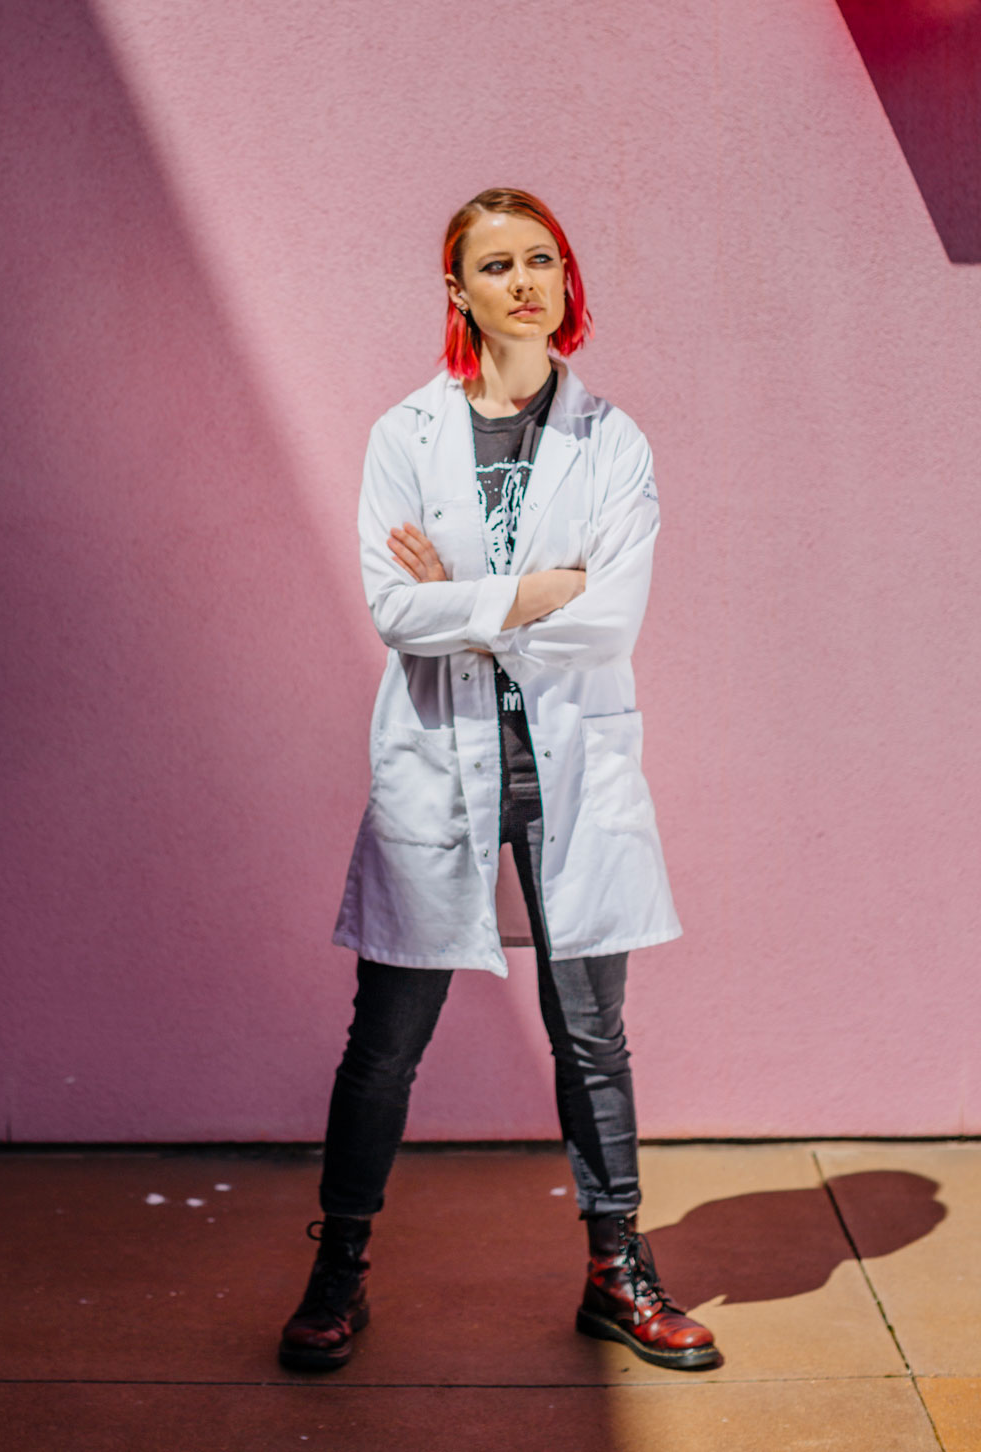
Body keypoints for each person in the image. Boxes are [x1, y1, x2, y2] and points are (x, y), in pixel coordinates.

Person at [277, 189, 719, 1374]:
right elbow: (389, 608)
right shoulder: (403, 435)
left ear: (566, 282)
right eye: (496, 264)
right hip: (440, 766)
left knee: (592, 1037)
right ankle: (339, 1268)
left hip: (572, 768)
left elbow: (612, 617)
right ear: (458, 292)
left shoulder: (612, 441)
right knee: (387, 1039)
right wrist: (530, 593)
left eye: (543, 260)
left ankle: (614, 1268)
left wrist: (463, 605)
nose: (525, 280)